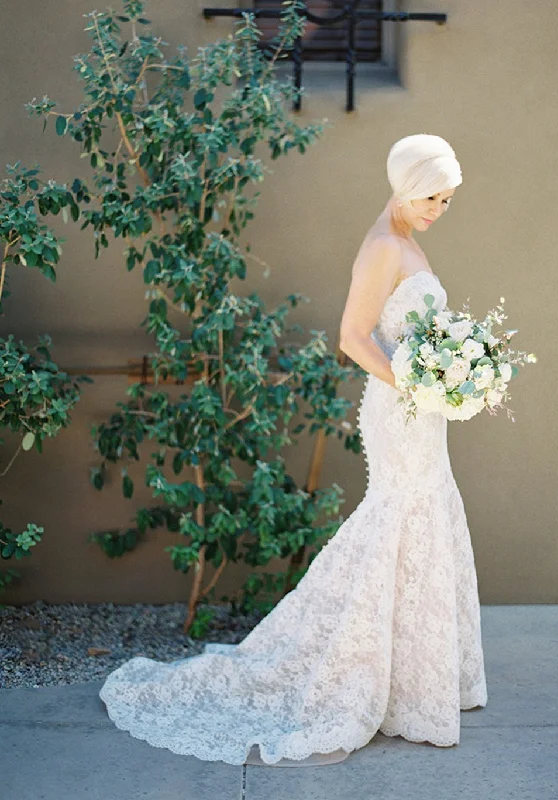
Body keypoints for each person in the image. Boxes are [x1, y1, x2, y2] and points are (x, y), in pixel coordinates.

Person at [99, 133, 488, 767]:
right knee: (399, 517)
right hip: (400, 408)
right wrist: (420, 383)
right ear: (404, 188)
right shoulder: (383, 248)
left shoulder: (408, 243)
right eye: (431, 197)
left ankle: (422, 679)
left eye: (447, 200)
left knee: (429, 512)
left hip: (423, 410)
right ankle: (374, 679)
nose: (439, 209)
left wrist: (450, 376)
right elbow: (353, 337)